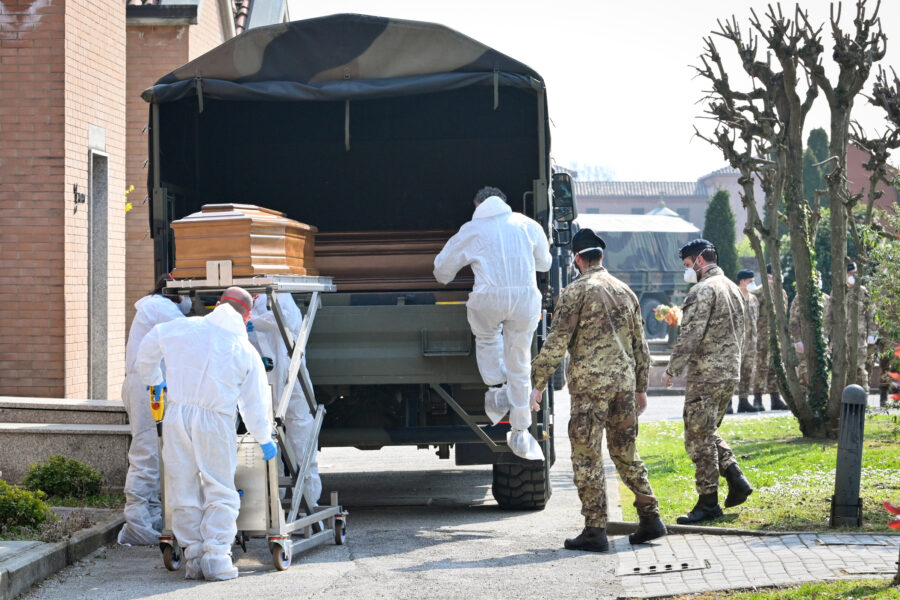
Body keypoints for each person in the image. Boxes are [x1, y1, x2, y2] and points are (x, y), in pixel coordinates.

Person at [530, 228, 665, 552]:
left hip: (590, 390)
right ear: (601, 256)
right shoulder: (626, 292)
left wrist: (537, 383)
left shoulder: (575, 292)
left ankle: (594, 530)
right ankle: (650, 518)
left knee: (587, 456)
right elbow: (640, 347)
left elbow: (557, 341)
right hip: (622, 385)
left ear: (577, 258)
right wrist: (641, 388)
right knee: (625, 452)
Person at [136, 286, 276, 581]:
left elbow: (149, 344)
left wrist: (155, 379)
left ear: (219, 304)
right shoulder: (244, 349)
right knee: (219, 486)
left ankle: (195, 557)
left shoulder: (183, 327)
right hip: (216, 421)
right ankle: (216, 558)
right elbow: (255, 402)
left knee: (183, 486)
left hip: (176, 416)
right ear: (246, 315)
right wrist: (263, 437)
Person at [434, 186, 551, 461]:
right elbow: (544, 264)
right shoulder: (527, 224)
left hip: (488, 299)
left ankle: (497, 392)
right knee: (520, 361)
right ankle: (521, 431)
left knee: (487, 338)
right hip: (525, 299)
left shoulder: (472, 230)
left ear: (477, 205)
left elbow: (442, 272)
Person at [663, 239, 752, 524]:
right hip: (728, 371)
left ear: (700, 260)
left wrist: (671, 370)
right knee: (708, 431)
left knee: (698, 438)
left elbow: (690, 335)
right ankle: (735, 478)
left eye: (688, 265)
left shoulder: (702, 290)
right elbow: (743, 332)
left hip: (707, 374)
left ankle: (708, 503)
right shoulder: (733, 289)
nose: (687, 270)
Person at [118, 283, 191, 546]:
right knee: (147, 453)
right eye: (188, 296)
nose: (189, 303)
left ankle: (151, 520)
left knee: (155, 455)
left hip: (150, 385)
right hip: (147, 387)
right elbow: (188, 334)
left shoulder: (156, 308)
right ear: (177, 294)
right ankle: (137, 525)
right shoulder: (160, 307)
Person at [249, 293, 322, 505]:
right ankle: (274, 501)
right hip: (265, 380)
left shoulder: (279, 296)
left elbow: (282, 321)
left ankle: (309, 499)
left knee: (301, 435)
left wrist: (250, 322)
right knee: (267, 438)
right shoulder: (251, 302)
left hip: (292, 376)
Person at [752, 265, 789, 411]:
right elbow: (753, 315)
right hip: (762, 336)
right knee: (761, 367)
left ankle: (775, 398)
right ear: (768, 276)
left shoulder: (782, 293)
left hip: (777, 337)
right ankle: (757, 398)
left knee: (776, 367)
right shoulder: (759, 292)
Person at [789, 275, 831, 399]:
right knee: (804, 367)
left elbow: (832, 322)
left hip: (823, 341)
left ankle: (819, 396)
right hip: (804, 340)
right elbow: (793, 321)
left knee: (821, 368)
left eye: (819, 279)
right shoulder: (800, 298)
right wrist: (797, 340)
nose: (818, 282)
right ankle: (803, 396)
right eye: (815, 280)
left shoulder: (826, 299)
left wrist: (831, 341)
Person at [846, 262, 877, 390]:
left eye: (854, 273)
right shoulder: (838, 291)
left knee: (861, 368)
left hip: (860, 337)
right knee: (845, 368)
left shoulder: (863, 291)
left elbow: (871, 313)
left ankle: (862, 397)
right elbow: (830, 316)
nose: (852, 276)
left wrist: (872, 333)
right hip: (844, 338)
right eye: (850, 274)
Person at [732, 270, 759, 414]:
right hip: (736, 342)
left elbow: (756, 319)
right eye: (750, 281)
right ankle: (728, 402)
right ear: (741, 282)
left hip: (751, 342)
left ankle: (743, 400)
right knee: (733, 372)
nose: (753, 284)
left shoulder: (754, 299)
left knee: (748, 372)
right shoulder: (733, 297)